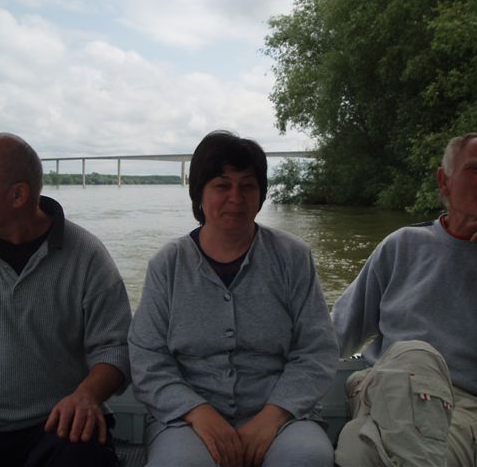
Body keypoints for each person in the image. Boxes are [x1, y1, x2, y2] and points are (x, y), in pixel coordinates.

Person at [0, 133, 132, 467]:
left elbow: (115, 348)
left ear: (18, 195)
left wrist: (86, 396)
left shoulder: (86, 255)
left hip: (54, 424)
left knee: (88, 457)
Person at [128, 130, 339, 467]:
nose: (236, 198)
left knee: (308, 457)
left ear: (261, 194)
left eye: (248, 186)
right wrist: (197, 411)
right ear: (199, 193)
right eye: (222, 185)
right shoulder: (167, 265)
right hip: (186, 419)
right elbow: (147, 357)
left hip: (282, 415)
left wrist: (272, 416)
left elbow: (316, 350)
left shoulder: (293, 258)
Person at [331, 133, 477, 466]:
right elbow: (338, 332)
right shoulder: (402, 246)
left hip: (476, 412)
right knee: (415, 357)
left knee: (357, 451)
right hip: (384, 392)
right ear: (444, 181)